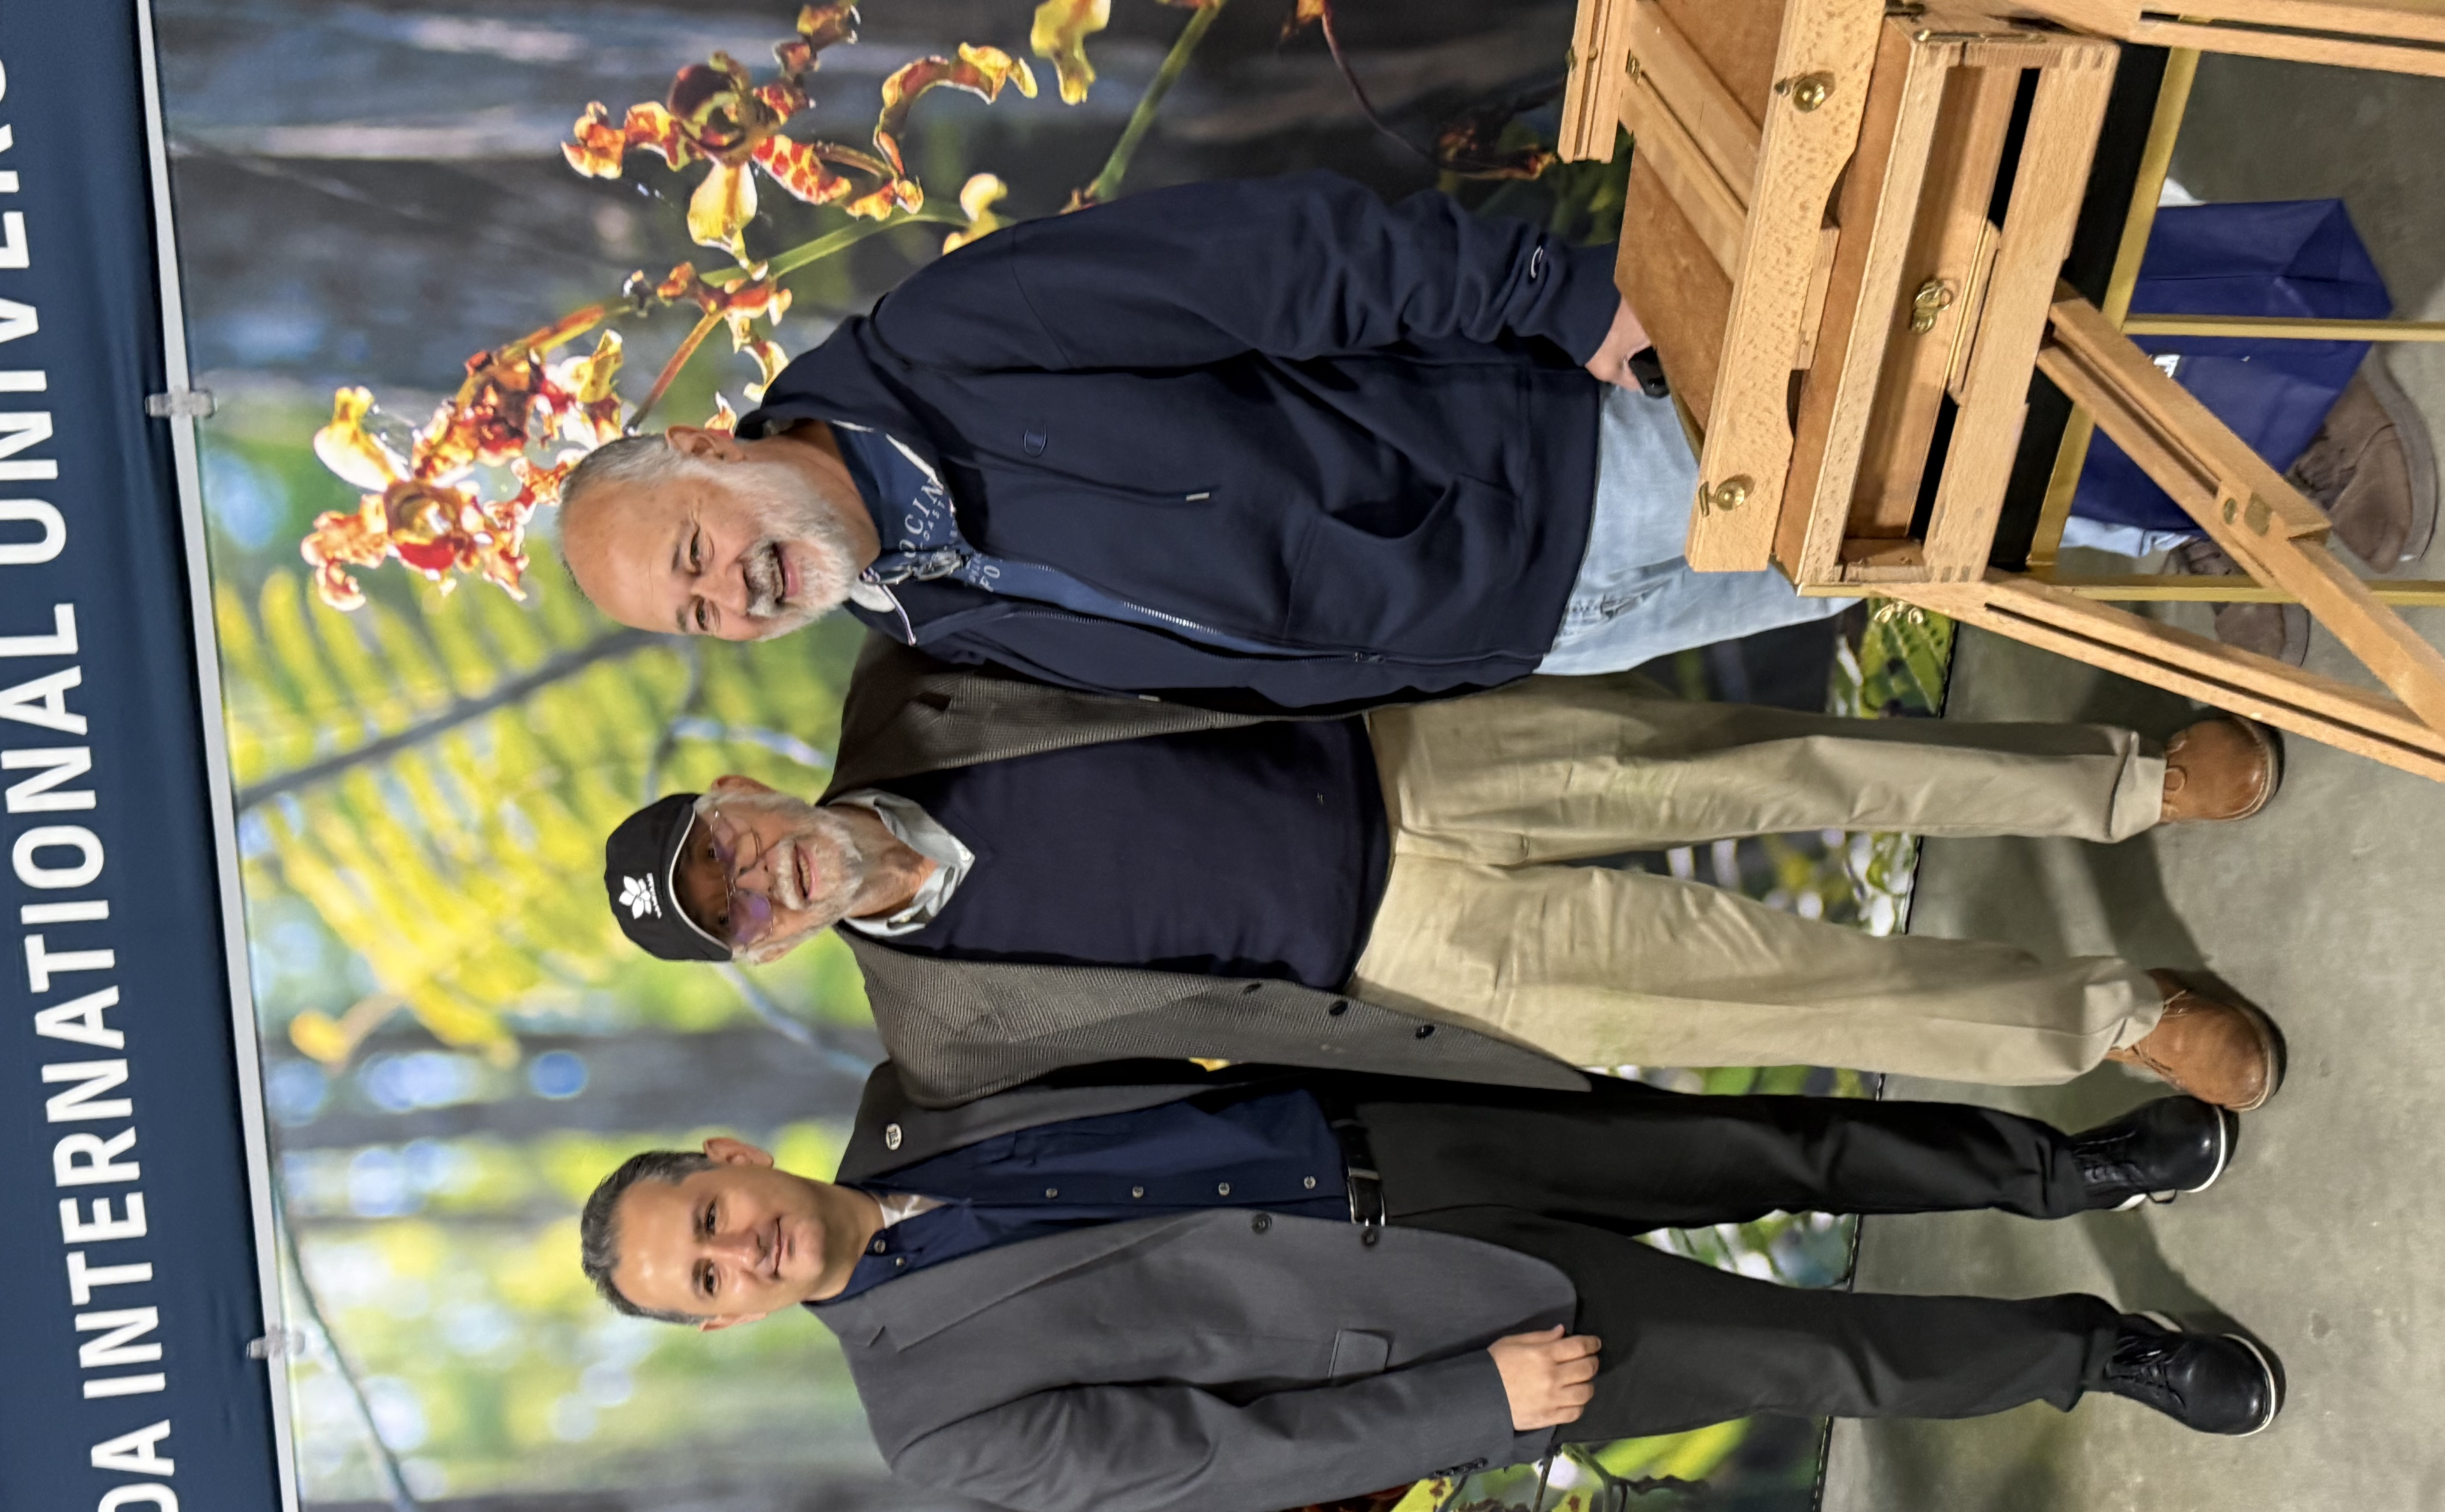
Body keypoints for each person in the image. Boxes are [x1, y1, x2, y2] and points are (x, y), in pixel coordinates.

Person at [601, 636, 2287, 1108]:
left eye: (723, 849)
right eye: (735, 915)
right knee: (1789, 994)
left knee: (1787, 763)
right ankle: (2118, 1020)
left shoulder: (911, 679)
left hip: (1407, 750)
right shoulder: (945, 1036)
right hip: (1413, 954)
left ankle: (2132, 781)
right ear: (765, 953)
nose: (764, 880)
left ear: (740, 790)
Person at [576, 1063, 2280, 1512]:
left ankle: (2077, 1168)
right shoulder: (931, 1422)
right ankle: (2104, 1356)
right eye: (706, 1276)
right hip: (1466, 1334)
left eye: (709, 1214)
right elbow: (1221, 1458)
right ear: (723, 1320)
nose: (740, 1248)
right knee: (1825, 1355)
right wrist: (1473, 1407)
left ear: (730, 1154)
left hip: (1413, 1133)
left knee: (1784, 1143)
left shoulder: (920, 1089)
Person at [554, 168, 1843, 706]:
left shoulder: (943, 339)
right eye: (700, 617)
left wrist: (1546, 292)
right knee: (1909, 564)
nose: (734, 595)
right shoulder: (928, 627)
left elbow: (1275, 260)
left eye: (695, 556)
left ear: (709, 449)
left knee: (1934, 456)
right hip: (1550, 631)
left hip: (1567, 461)